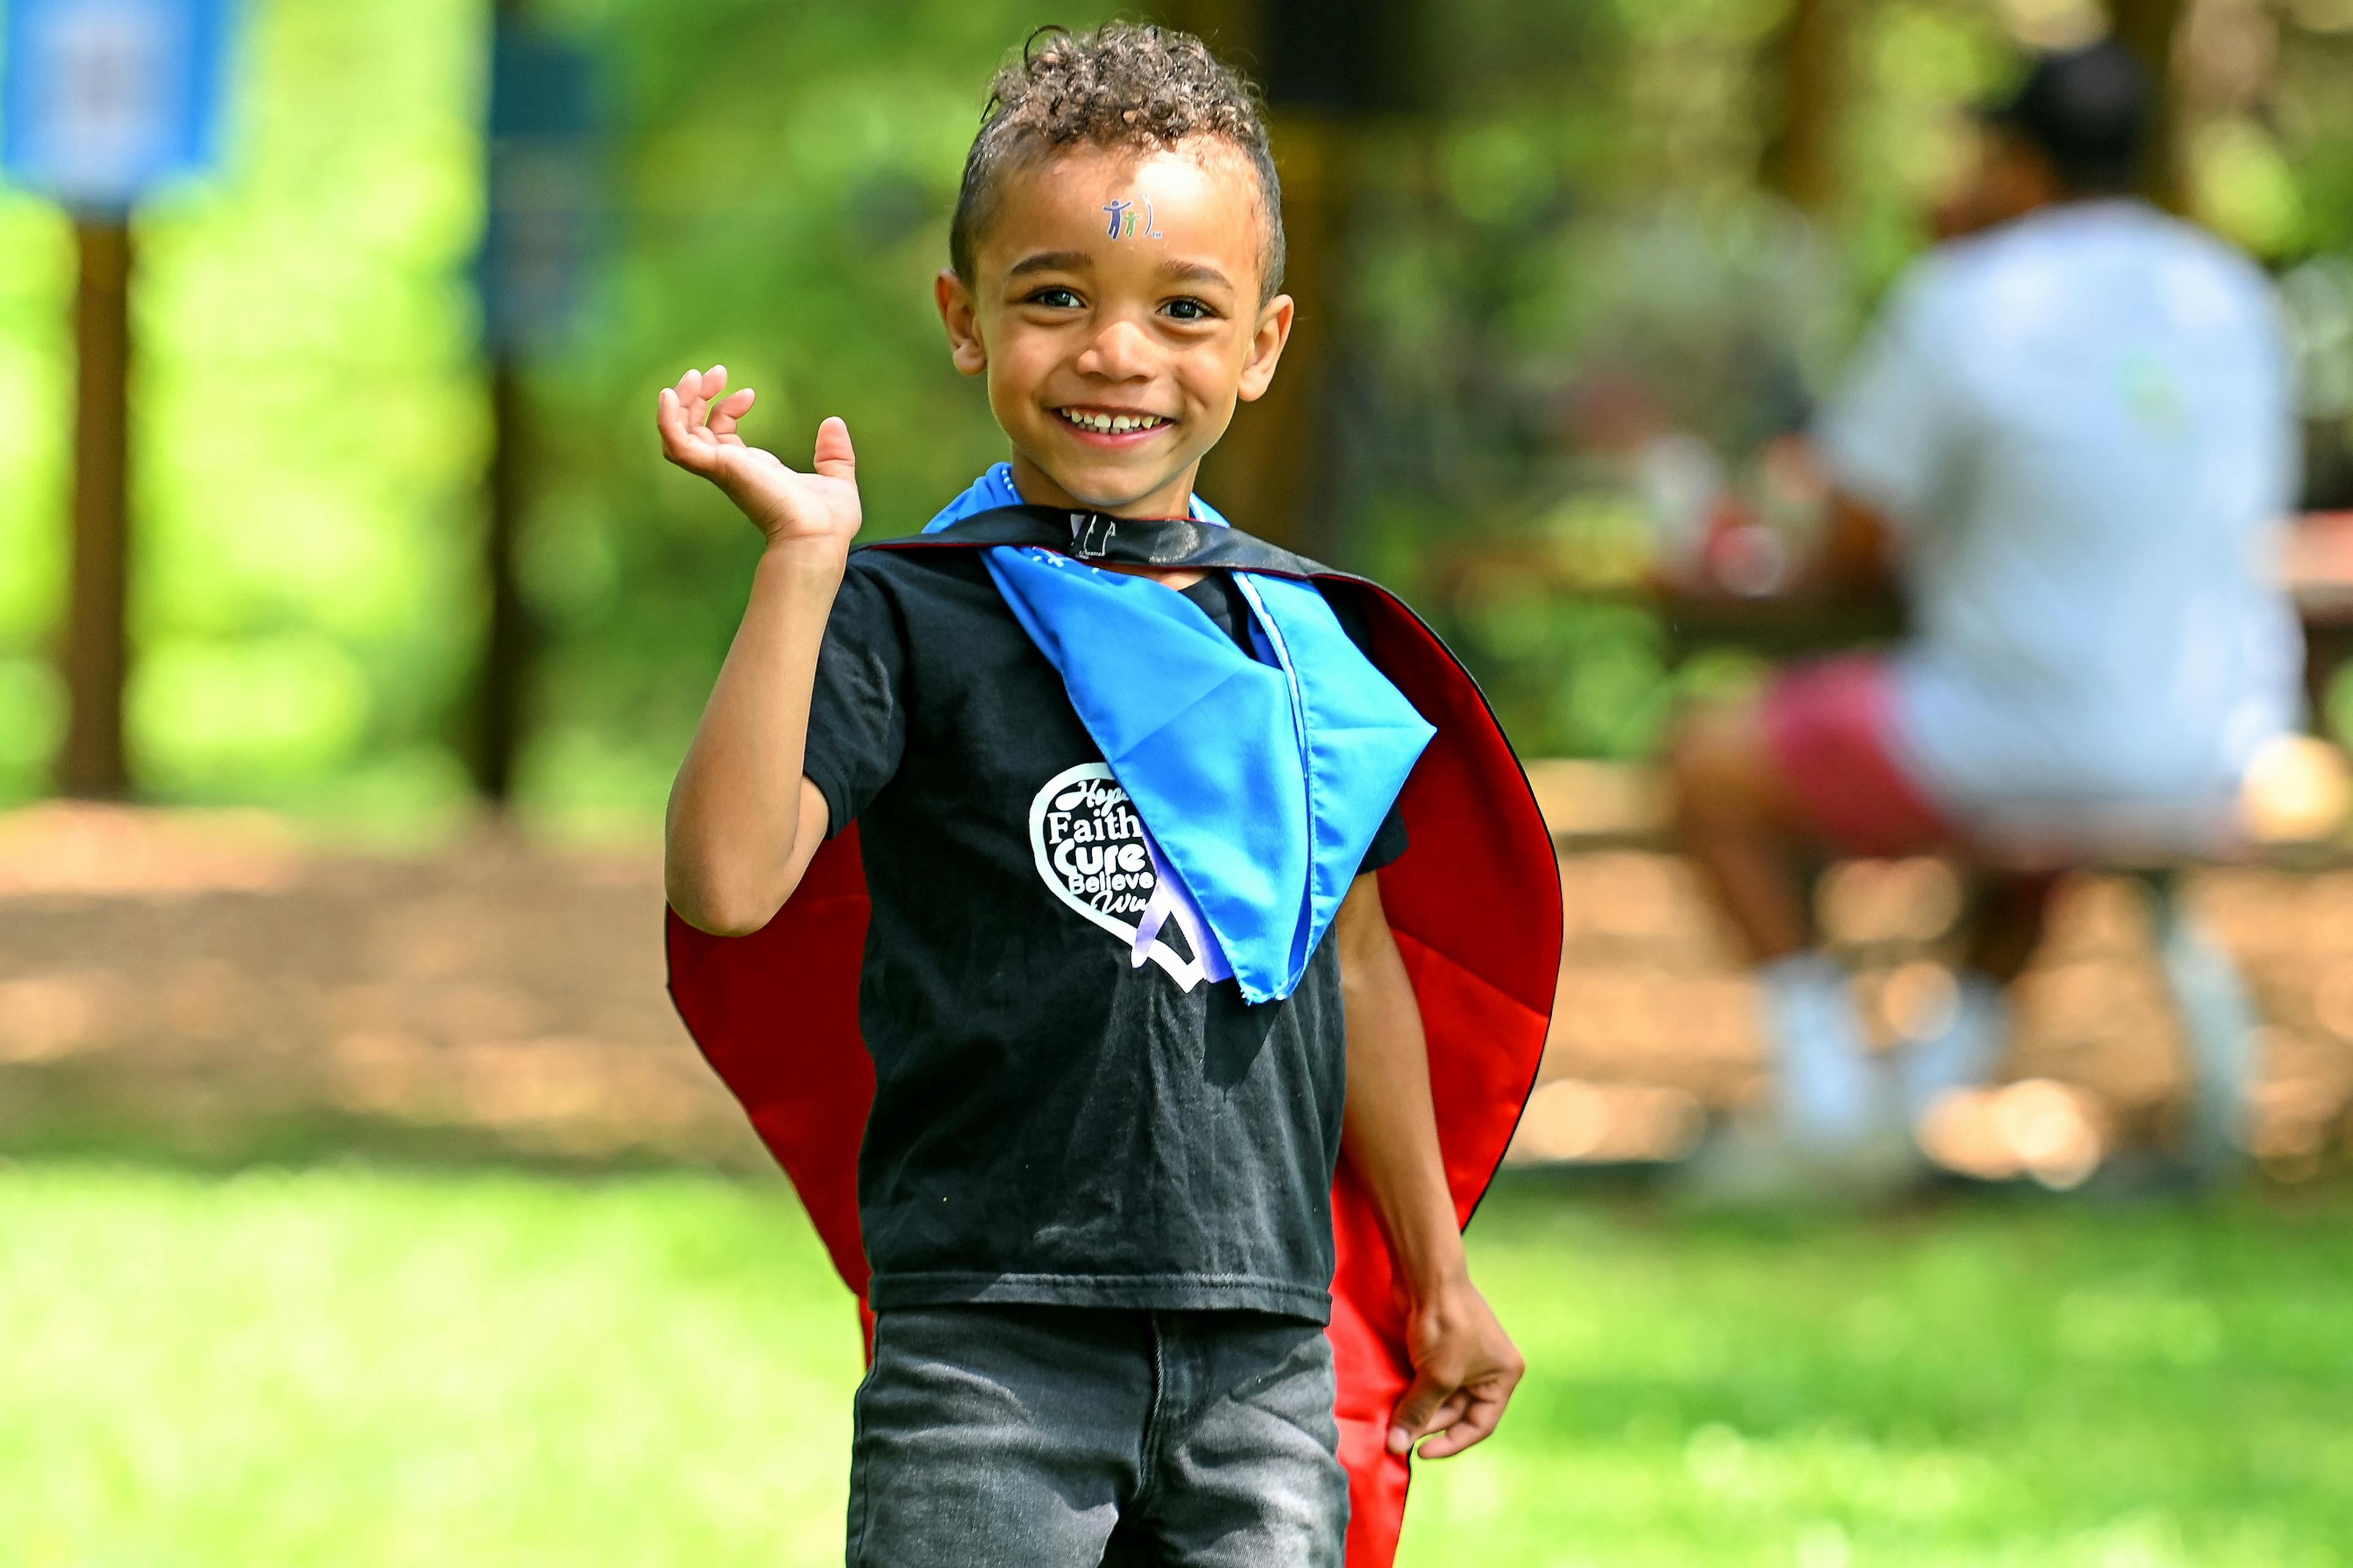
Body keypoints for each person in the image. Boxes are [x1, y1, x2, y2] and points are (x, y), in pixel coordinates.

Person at [656, 25, 1551, 1567]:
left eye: (1184, 310)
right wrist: (803, 566)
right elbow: (728, 881)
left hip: (1263, 1352)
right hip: (988, 1345)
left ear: (1263, 343)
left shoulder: (1301, 642)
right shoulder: (909, 614)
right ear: (964, 316)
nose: (1118, 352)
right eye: (1056, 295)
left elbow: (1355, 959)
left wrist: (1433, 1266)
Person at [1666, 39, 2302, 1183]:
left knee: (1711, 762)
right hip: (2219, 741)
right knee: (2043, 816)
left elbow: (1849, 540)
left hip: (2016, 737)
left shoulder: (1966, 293)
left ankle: (1826, 1098)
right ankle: (1926, 1090)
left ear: (2013, 160)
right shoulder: (2231, 292)